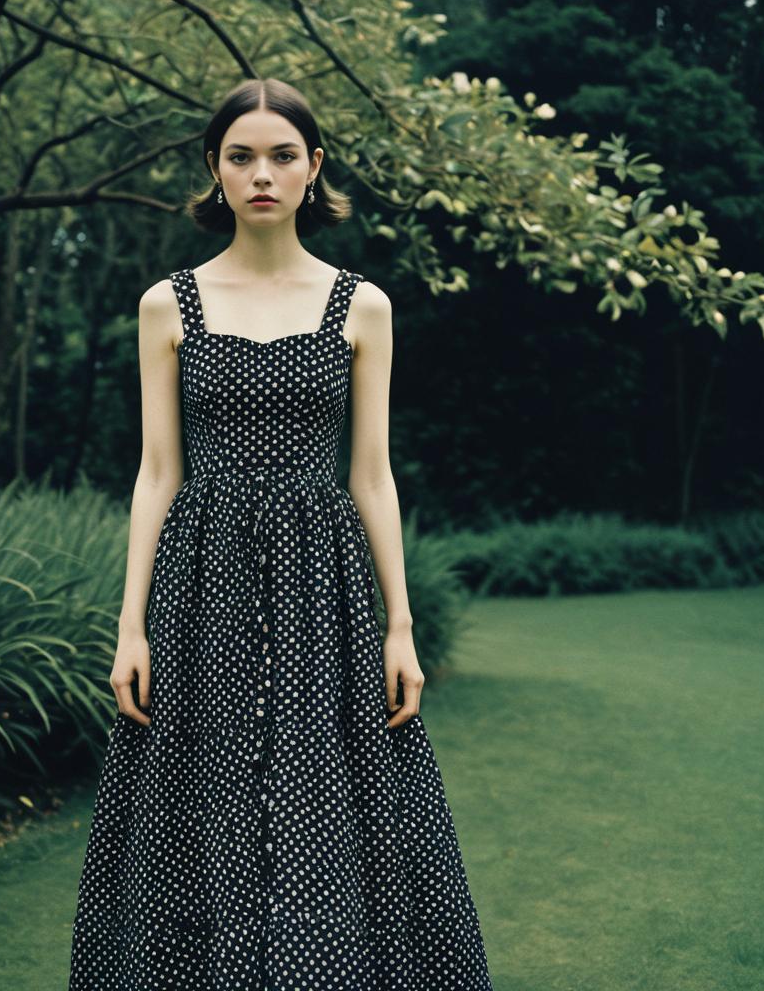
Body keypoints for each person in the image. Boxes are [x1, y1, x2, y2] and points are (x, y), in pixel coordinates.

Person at [68, 77, 495, 990]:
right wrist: (131, 626)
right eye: (241, 156)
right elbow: (157, 473)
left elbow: (371, 475)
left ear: (313, 168)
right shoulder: (168, 305)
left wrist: (401, 626)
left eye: (282, 155)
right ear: (214, 170)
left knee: (323, 796)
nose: (262, 174)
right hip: (202, 581)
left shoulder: (362, 306)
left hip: (322, 584)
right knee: (198, 795)